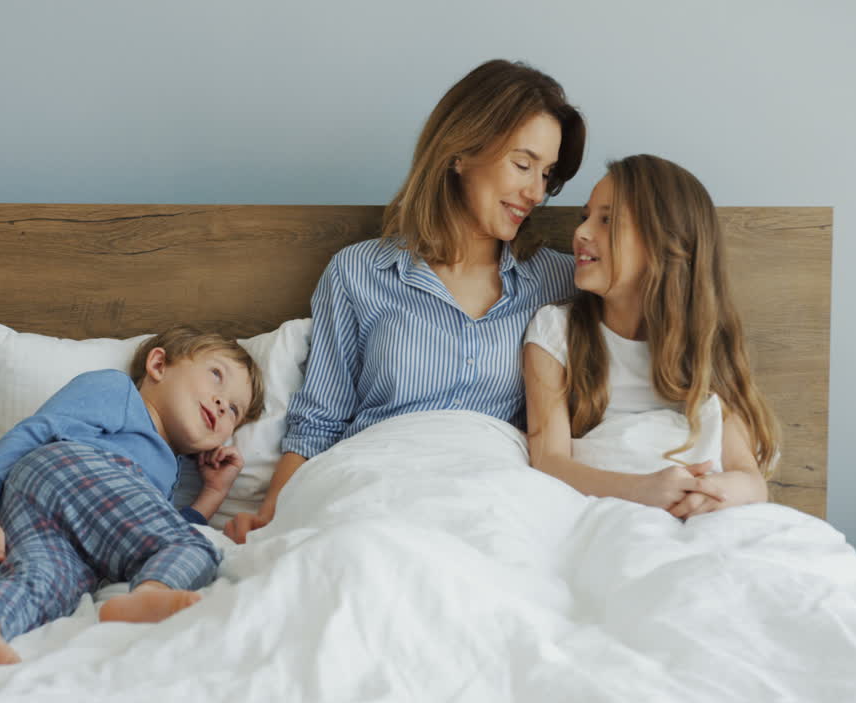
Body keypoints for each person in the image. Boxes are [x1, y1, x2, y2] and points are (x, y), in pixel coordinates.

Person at [225, 59, 586, 543]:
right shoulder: (359, 273)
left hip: (491, 504)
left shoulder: (563, 283)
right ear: (461, 153)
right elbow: (318, 424)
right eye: (522, 165)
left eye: (546, 174)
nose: (536, 192)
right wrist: (272, 518)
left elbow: (665, 309)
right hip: (372, 494)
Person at [0, 327, 265, 671]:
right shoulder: (117, 391)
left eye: (234, 411)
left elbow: (150, 529)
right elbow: (33, 431)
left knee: (46, 580)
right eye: (216, 375)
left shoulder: (169, 468)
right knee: (195, 548)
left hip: (40, 514)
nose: (222, 404)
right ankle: (147, 596)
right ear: (158, 364)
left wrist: (213, 492)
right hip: (70, 464)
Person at [522, 154, 780, 518]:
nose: (581, 232)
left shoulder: (706, 342)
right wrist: (642, 490)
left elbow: (749, 478)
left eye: (607, 220)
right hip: (612, 507)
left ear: (661, 242)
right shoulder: (555, 330)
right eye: (585, 217)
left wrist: (711, 491)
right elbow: (549, 461)